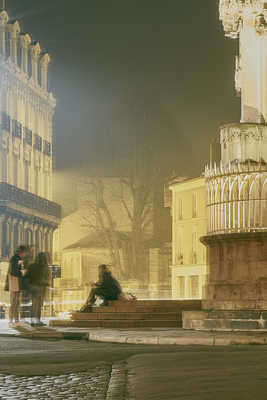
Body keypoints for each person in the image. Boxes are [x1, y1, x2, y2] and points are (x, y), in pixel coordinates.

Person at [6, 245, 29, 327]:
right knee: (14, 302)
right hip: (15, 282)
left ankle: (15, 320)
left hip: (15, 283)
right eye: (25, 252)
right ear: (21, 252)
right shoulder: (16, 259)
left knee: (16, 302)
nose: (26, 254)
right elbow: (14, 271)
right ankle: (12, 320)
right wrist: (23, 272)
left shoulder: (17, 259)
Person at [27, 252, 51, 326]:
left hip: (32, 287)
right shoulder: (45, 267)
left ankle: (33, 321)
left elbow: (27, 276)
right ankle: (37, 321)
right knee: (39, 305)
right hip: (41, 287)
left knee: (34, 304)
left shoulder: (31, 266)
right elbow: (47, 278)